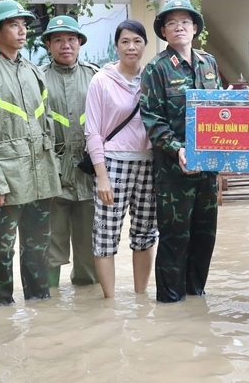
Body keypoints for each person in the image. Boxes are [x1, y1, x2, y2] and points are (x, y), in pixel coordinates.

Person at [0, 0, 62, 306]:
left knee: (39, 246)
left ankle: (40, 305)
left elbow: (46, 121)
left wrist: (53, 170)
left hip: (40, 175)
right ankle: (2, 310)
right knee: (0, 247)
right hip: (7, 179)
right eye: (14, 24)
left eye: (24, 24)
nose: (23, 30)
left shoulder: (32, 70)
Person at [140, 0, 222, 303]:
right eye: (172, 23)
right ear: (163, 31)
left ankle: (196, 298)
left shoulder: (208, 63)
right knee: (175, 239)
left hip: (207, 169)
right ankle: (171, 304)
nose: (179, 27)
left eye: (185, 22)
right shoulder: (156, 68)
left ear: (195, 27)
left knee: (205, 237)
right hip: (173, 172)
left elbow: (220, 112)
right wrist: (178, 151)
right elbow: (152, 118)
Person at [85, 20, 158, 298]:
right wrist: (101, 175)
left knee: (145, 234)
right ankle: (110, 302)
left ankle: (141, 296)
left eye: (137, 41)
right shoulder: (101, 81)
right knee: (105, 236)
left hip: (148, 163)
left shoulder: (151, 78)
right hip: (113, 164)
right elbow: (92, 132)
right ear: (116, 46)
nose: (131, 47)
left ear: (144, 45)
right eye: (125, 41)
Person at [41, 15, 99, 287]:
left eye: (71, 39)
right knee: (50, 247)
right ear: (49, 45)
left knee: (90, 250)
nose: (66, 45)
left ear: (79, 44)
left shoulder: (96, 76)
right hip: (52, 176)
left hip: (89, 175)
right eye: (59, 40)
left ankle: (88, 312)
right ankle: (48, 303)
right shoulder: (37, 78)